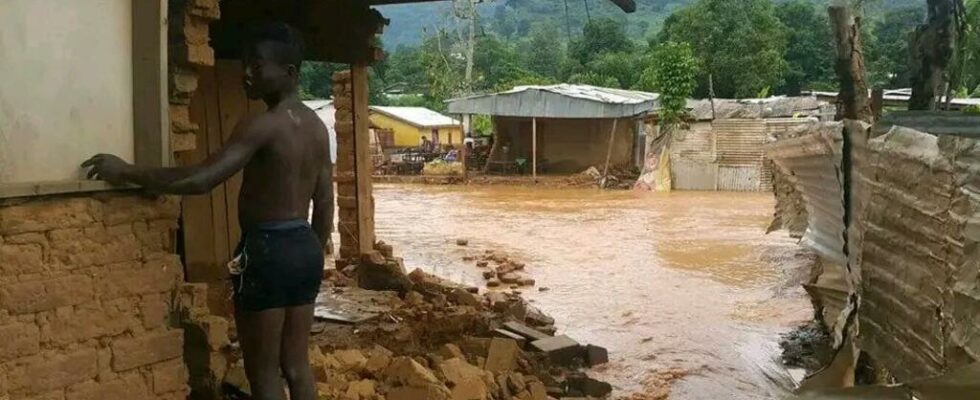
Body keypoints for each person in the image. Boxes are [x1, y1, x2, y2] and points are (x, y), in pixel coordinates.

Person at [82, 23, 331, 400]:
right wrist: (311, 254)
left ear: (290, 73)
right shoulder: (316, 128)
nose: (246, 73)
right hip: (304, 246)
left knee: (262, 370)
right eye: (246, 64)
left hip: (267, 249)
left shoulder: (262, 125)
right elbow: (325, 202)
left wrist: (128, 171)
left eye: (257, 66)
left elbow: (201, 179)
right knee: (296, 366)